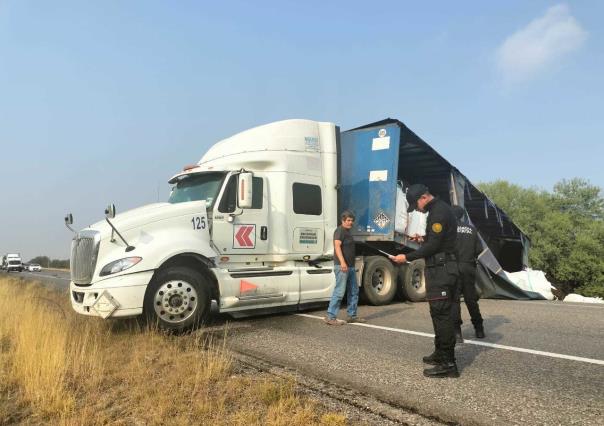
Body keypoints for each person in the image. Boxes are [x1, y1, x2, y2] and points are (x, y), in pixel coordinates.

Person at [390, 184, 460, 378]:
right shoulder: (439, 209)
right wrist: (424, 238)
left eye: (415, 204)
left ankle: (448, 363)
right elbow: (436, 240)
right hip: (441, 268)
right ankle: (440, 353)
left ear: (423, 197)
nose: (416, 209)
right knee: (437, 313)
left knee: (442, 315)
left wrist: (407, 257)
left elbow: (434, 246)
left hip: (441, 270)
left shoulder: (438, 212)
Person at [324, 211, 366, 325]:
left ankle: (352, 316)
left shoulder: (348, 232)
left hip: (350, 267)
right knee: (339, 292)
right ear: (342, 220)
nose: (350, 222)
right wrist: (342, 262)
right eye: (348, 220)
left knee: (354, 291)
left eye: (352, 221)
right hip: (342, 266)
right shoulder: (340, 231)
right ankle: (330, 317)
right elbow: (337, 247)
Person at [450, 205, 485, 340]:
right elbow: (479, 249)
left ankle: (457, 333)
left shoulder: (450, 230)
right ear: (462, 216)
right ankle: (479, 329)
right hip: (469, 267)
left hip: (454, 267)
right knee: (471, 300)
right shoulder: (472, 229)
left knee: (454, 300)